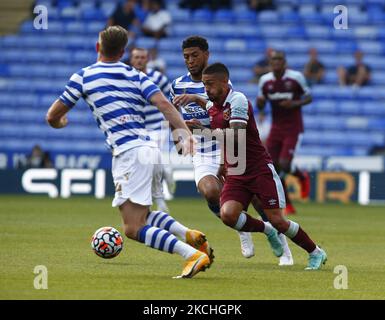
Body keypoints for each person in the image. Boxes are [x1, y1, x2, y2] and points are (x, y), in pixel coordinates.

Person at [46, 26, 213, 279]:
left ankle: (191, 254)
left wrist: (60, 123)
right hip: (150, 150)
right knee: (143, 213)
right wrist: (185, 134)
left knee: (133, 228)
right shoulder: (136, 75)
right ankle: (186, 233)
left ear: (97, 47)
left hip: (129, 153)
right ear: (123, 51)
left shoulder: (83, 76)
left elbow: (52, 116)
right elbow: (165, 106)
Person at [170, 36, 293, 265]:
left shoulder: (221, 84)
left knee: (257, 198)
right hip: (203, 150)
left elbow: (229, 123)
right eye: (186, 56)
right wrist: (179, 140)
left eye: (195, 55)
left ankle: (283, 245)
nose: (190, 60)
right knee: (210, 191)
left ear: (207, 54)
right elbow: (173, 116)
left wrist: (226, 158)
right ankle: (243, 230)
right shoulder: (177, 85)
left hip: (228, 146)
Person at [199, 62, 327, 270]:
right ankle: (266, 231)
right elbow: (224, 138)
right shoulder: (213, 107)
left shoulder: (238, 100)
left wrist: (202, 131)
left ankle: (315, 252)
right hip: (236, 172)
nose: (207, 90)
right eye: (204, 85)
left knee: (279, 220)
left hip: (259, 169)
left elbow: (237, 136)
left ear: (224, 82)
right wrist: (223, 163)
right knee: (228, 215)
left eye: (210, 85)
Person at [257, 50, 312, 215]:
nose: (276, 63)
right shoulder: (265, 81)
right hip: (276, 128)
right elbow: (261, 105)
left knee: (285, 164)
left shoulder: (295, 78)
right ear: (270, 63)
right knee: (273, 167)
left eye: (279, 60)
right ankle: (287, 204)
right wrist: (259, 104)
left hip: (293, 128)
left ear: (284, 62)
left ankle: (301, 176)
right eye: (273, 60)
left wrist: (294, 103)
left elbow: (309, 97)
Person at [128, 47, 175, 212]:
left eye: (142, 57)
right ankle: (165, 176)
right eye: (136, 57)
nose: (139, 60)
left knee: (153, 160)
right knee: (150, 165)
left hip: (157, 125)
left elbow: (171, 99)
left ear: (147, 59)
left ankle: (161, 198)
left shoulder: (158, 77)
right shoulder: (126, 78)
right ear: (131, 60)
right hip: (138, 128)